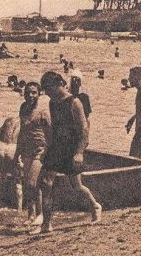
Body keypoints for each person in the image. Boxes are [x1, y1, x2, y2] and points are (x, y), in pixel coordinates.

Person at [32, 71, 101, 234]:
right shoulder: (52, 103)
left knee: (76, 185)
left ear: (57, 85)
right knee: (45, 182)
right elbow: (54, 130)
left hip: (71, 148)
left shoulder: (74, 102)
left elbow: (84, 129)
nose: (47, 94)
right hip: (57, 147)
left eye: (48, 89)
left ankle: (95, 206)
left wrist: (79, 153)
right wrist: (47, 149)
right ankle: (46, 224)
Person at [15, 82, 51, 225]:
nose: (30, 96)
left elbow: (50, 133)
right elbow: (22, 132)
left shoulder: (43, 112)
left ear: (39, 94)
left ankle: (41, 214)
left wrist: (49, 153)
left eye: (33, 92)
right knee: (26, 183)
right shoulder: (23, 108)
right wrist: (17, 152)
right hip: (27, 150)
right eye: (27, 92)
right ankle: (31, 215)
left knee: (32, 181)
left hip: (40, 150)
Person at [0, 116, 21, 210]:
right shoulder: (25, 122)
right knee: (18, 180)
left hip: (1, 146)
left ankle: (0, 206)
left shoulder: (8, 120)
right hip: (13, 148)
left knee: (2, 180)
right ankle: (19, 209)